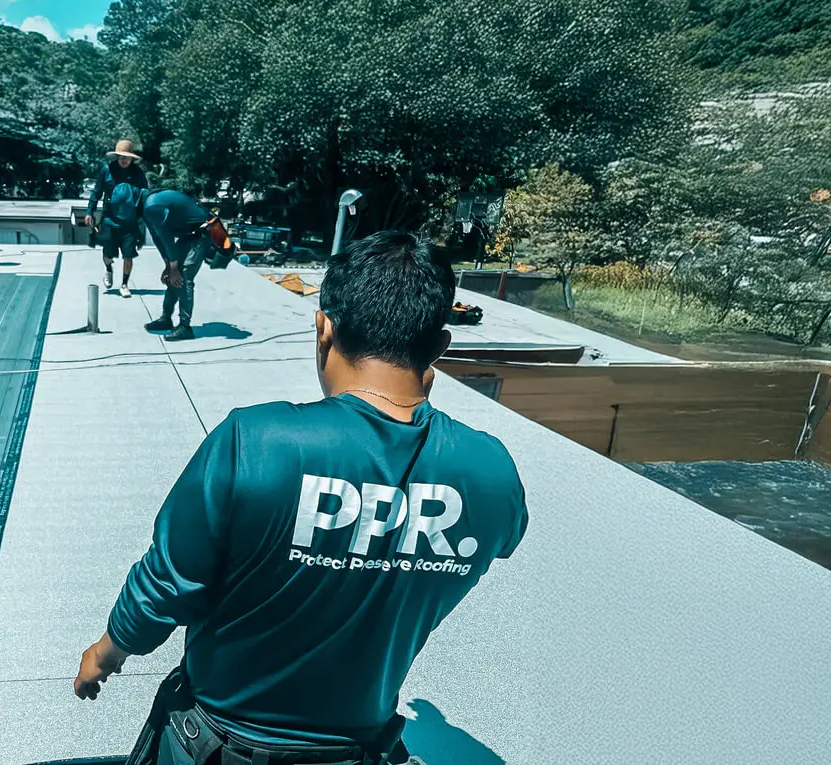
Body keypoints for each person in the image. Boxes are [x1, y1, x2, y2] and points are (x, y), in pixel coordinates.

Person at [72, 231, 530, 765]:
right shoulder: (491, 472)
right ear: (439, 349)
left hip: (217, 741)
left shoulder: (256, 442)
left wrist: (106, 654)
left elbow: (169, 582)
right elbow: (501, 537)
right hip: (358, 747)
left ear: (324, 328)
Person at [137, 189, 230, 342]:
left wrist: (173, 267)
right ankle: (166, 319)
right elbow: (158, 238)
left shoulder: (152, 206)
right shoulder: (148, 207)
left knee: (184, 276)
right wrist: (168, 265)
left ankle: (185, 327)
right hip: (188, 236)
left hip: (201, 235)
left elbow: (166, 237)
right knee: (173, 278)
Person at [86, 140, 150, 297]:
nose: (124, 159)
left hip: (130, 222)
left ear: (131, 159)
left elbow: (146, 195)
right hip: (109, 219)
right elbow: (96, 192)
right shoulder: (106, 171)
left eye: (127, 157)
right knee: (107, 254)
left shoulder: (138, 173)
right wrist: (89, 212)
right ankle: (108, 270)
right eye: (121, 156)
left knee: (128, 255)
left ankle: (124, 284)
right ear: (116, 156)